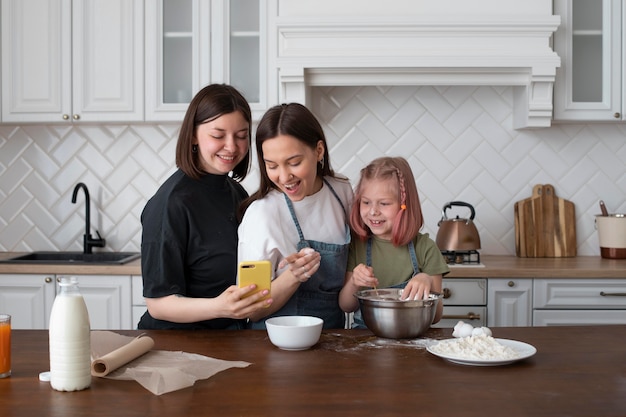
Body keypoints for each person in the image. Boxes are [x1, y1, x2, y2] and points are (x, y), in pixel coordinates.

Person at [138, 84, 272, 330]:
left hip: (226, 340)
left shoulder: (235, 192)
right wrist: (219, 307)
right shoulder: (170, 204)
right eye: (218, 136)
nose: (231, 146)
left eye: (241, 136)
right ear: (193, 135)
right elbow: (158, 303)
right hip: (178, 347)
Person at [238, 103, 353, 329]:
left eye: (294, 163)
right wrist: (293, 276)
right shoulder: (261, 215)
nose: (283, 176)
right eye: (272, 166)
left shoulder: (341, 191)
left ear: (318, 151)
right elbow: (252, 310)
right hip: (275, 346)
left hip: (334, 339)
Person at [339, 156, 449, 327]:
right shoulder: (356, 246)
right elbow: (346, 306)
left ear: (404, 205)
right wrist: (354, 283)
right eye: (366, 202)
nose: (373, 211)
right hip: (364, 341)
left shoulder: (426, 249)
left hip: (413, 341)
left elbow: (436, 316)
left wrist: (426, 280)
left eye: (384, 203)